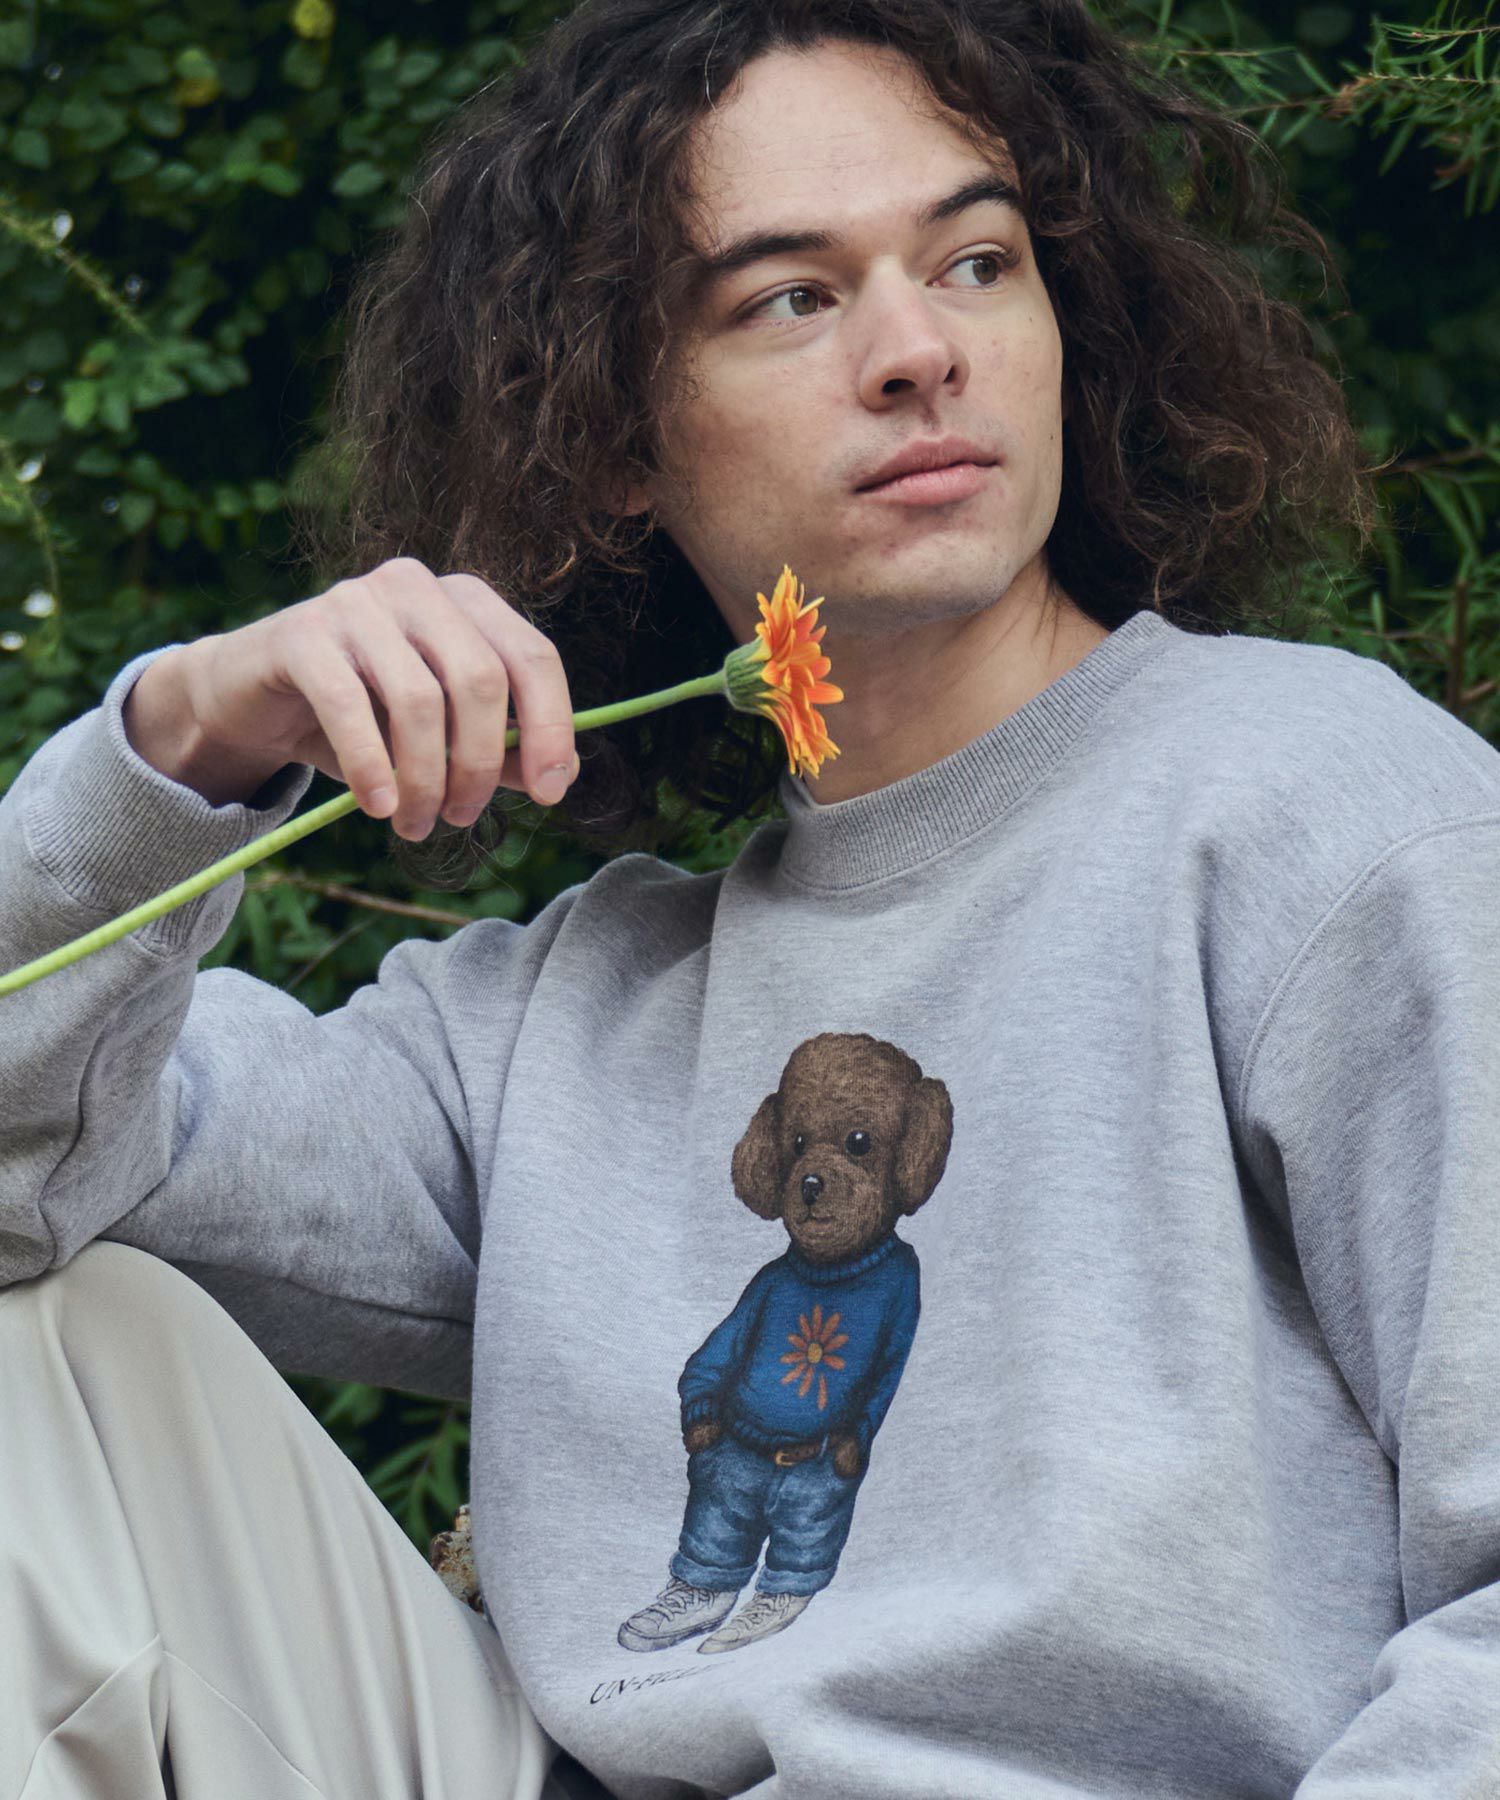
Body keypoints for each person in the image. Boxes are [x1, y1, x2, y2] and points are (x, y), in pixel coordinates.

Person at [3, 0, 1498, 1795]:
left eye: (977, 262)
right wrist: (182, 742)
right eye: (790, 297)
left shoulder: (1326, 811)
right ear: (612, 440)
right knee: (42, 1342)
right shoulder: (570, 1023)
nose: (918, 352)